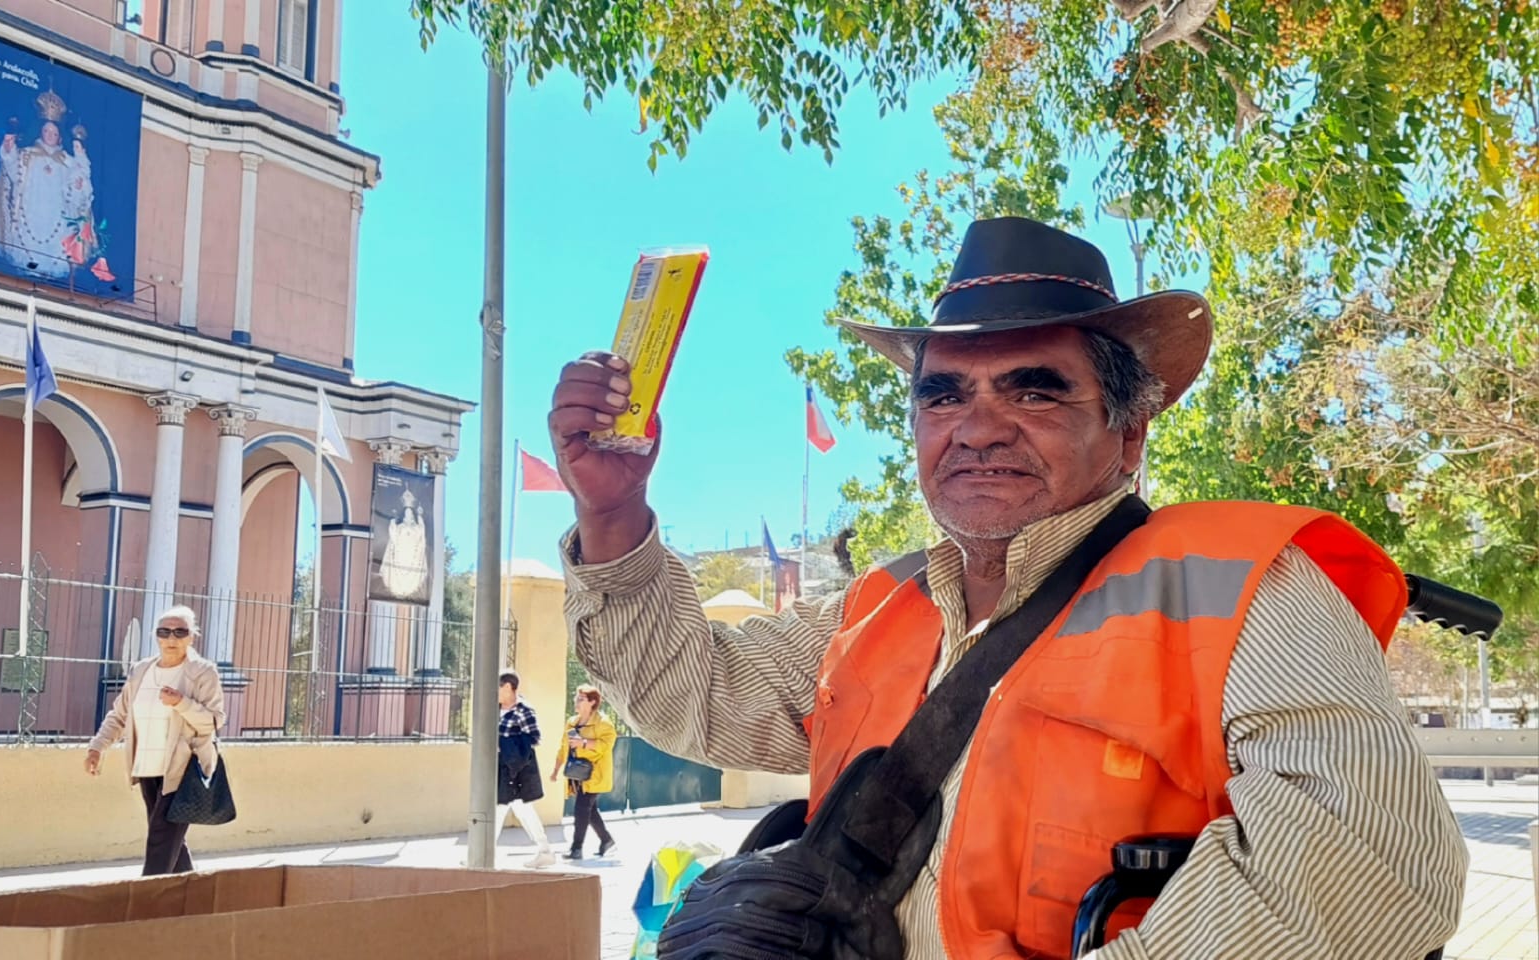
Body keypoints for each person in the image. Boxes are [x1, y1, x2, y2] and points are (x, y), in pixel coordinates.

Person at [546, 217, 1468, 958]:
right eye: (943, 396)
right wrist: (615, 513)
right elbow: (689, 699)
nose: (977, 429)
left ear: (1128, 433)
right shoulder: (877, 608)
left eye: (1034, 392)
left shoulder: (1245, 590)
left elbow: (1373, 866)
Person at [84, 605, 225, 877]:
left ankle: (146, 899)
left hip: (183, 768)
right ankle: (192, 895)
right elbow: (120, 714)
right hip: (147, 766)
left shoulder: (202, 672)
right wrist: (97, 747)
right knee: (168, 838)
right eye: (164, 631)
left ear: (192, 637)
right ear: (156, 636)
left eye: (180, 631)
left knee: (162, 836)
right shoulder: (141, 671)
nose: (171, 638)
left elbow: (214, 720)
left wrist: (181, 703)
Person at [0, 90, 95, 279]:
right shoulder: (27, 155)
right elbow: (12, 173)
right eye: (47, 131)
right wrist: (9, 149)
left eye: (54, 132)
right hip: (31, 211)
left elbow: (79, 195)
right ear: (41, 131)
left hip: (57, 214)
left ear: (60, 137)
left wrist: (79, 185)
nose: (50, 135)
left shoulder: (68, 163)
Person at [497, 669, 556, 868]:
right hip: (502, 767)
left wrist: (506, 743)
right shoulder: (496, 709)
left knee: (502, 808)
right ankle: (544, 850)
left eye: (497, 687)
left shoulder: (524, 710)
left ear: (507, 687)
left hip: (516, 769)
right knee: (513, 809)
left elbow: (534, 737)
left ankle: (484, 854)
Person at [551, 684, 617, 861]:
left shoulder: (603, 723)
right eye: (576, 698)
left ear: (592, 702)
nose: (576, 701)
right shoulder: (572, 722)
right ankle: (606, 840)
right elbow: (564, 746)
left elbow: (606, 745)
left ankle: (576, 848)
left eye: (581, 699)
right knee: (589, 810)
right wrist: (556, 768)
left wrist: (584, 743)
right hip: (577, 774)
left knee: (581, 808)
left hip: (594, 774)